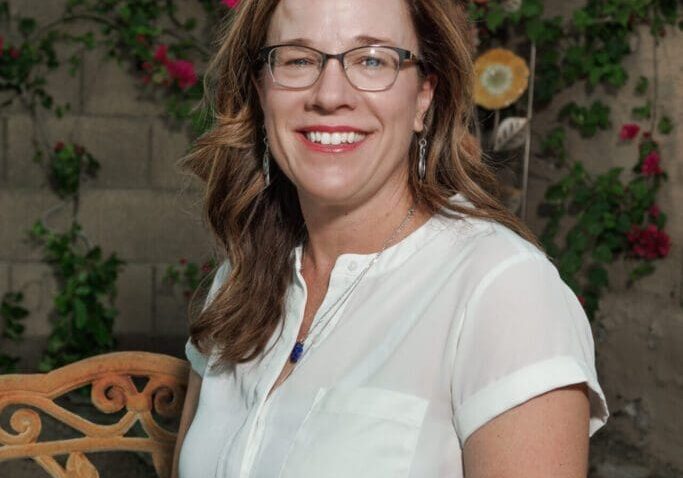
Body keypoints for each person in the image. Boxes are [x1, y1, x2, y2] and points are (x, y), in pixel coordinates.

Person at [171, 0, 609, 476]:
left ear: (424, 96)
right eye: (298, 59)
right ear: (260, 90)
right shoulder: (238, 277)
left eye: (372, 59)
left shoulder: (504, 291)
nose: (330, 94)